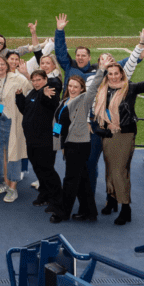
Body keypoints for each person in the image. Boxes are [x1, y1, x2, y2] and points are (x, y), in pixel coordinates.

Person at [93, 59, 144, 225]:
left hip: (124, 133)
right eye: (110, 74)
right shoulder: (102, 89)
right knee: (110, 168)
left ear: (121, 74)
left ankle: (126, 208)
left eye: (116, 73)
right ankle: (111, 200)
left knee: (119, 171)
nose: (113, 77)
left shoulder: (129, 88)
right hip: (108, 133)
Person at [48, 71, 103, 223]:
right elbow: (58, 122)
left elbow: (93, 89)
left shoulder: (83, 100)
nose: (72, 89)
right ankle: (89, 212)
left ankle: (62, 212)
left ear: (81, 89)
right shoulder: (64, 101)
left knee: (70, 180)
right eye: (70, 86)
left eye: (76, 87)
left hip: (79, 146)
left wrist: (102, 70)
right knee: (82, 180)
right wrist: (57, 142)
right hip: (69, 144)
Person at [0, 55, 31, 203]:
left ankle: (13, 188)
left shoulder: (18, 79)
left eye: (2, 64)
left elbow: (30, 91)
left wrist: (26, 76)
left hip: (13, 121)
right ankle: (6, 181)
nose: (0, 67)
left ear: (7, 65)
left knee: (13, 154)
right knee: (1, 153)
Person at [15, 69, 61, 210]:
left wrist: (43, 92)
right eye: (33, 80)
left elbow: (51, 100)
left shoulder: (49, 91)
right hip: (32, 139)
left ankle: (57, 199)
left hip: (45, 140)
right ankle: (45, 194)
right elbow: (26, 110)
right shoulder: (32, 93)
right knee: (37, 168)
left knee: (47, 169)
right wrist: (19, 97)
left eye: (39, 80)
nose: (35, 83)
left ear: (45, 79)